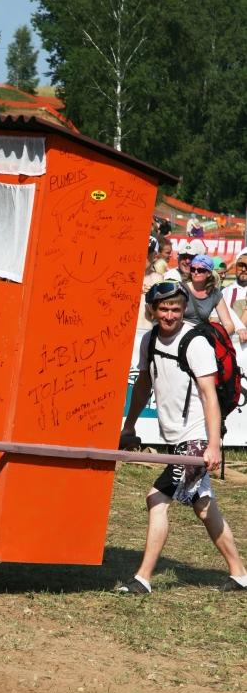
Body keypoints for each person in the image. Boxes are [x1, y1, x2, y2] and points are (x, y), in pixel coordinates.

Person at [118, 281, 247, 594]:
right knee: (203, 505)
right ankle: (240, 574)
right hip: (178, 439)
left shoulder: (195, 342)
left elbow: (209, 395)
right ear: (152, 310)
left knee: (156, 498)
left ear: (184, 308)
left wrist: (213, 445)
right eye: (164, 309)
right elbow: (144, 384)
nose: (170, 315)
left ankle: (143, 579)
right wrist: (129, 427)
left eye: (176, 309)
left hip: (196, 439)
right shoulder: (149, 340)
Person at [183, 253, 234, 333]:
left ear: (209, 273)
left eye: (201, 270)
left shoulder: (215, 294)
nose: (196, 272)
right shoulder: (182, 289)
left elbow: (229, 325)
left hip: (201, 335)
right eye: (193, 269)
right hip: (181, 333)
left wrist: (214, 336)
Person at [221, 248, 247, 343]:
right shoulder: (225, 291)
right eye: (240, 266)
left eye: (246, 266)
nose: (243, 269)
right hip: (230, 343)